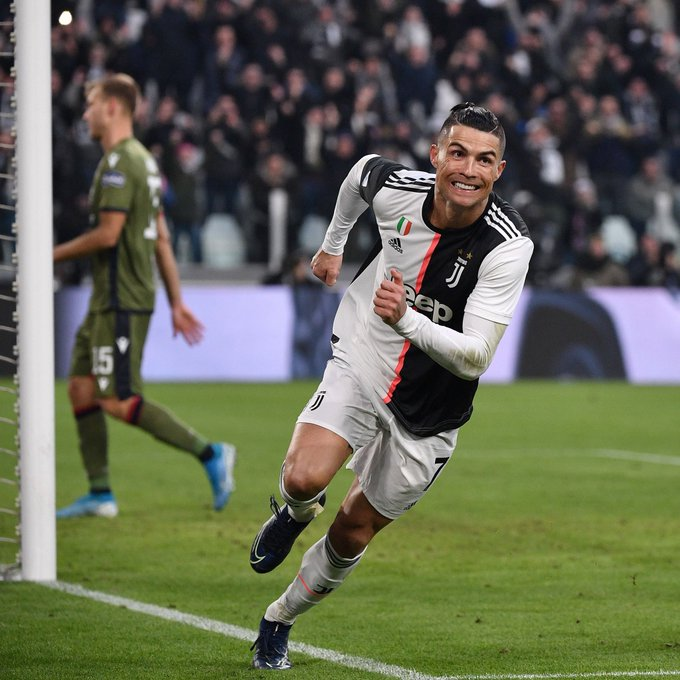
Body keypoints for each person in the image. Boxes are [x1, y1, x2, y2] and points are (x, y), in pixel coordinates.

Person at [248, 102, 534, 669]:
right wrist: (333, 244)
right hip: (365, 357)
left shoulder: (507, 245)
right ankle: (296, 513)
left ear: (499, 170)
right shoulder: (400, 189)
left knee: (353, 532)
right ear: (436, 155)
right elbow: (360, 173)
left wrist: (407, 318)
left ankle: (279, 618)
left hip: (431, 414)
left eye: (484, 160)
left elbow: (475, 358)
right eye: (458, 153)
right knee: (303, 478)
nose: (469, 170)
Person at [54, 73, 235, 519]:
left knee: (118, 400)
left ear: (112, 107)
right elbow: (162, 238)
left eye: (91, 104)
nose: (85, 113)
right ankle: (100, 493)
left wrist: (47, 255)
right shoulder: (144, 162)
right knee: (80, 387)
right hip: (109, 297)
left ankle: (210, 452)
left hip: (123, 297)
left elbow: (109, 234)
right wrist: (176, 302)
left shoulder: (120, 163)